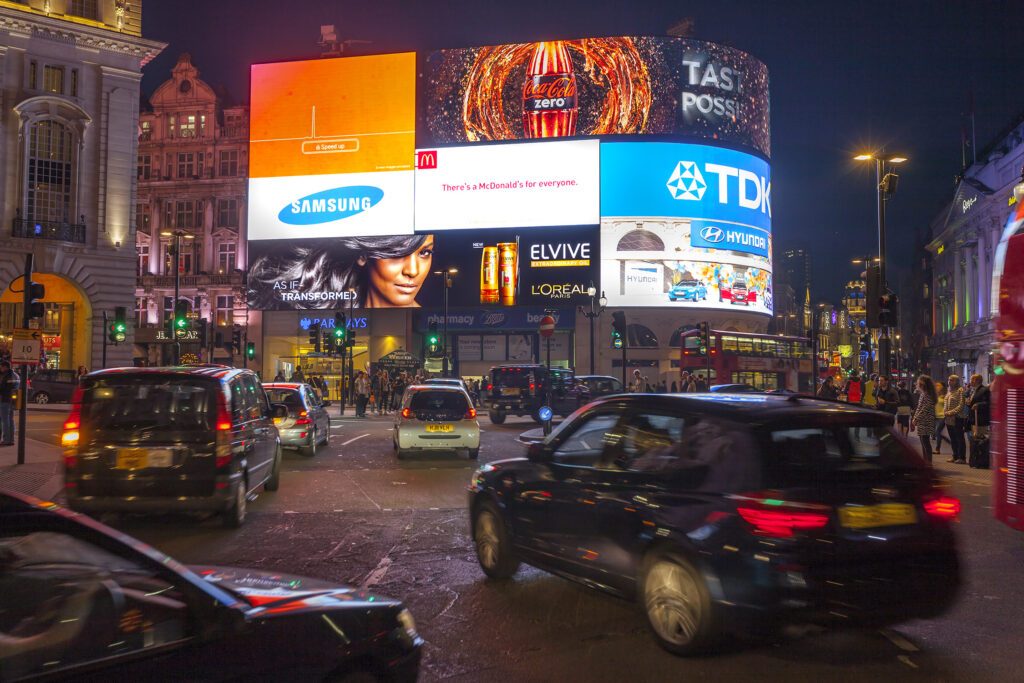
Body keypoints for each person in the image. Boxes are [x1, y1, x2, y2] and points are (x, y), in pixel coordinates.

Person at [248, 234, 435, 309]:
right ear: (363, 256)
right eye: (396, 254)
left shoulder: (426, 318)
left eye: (425, 253)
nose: (413, 270)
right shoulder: (337, 301)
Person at [911, 375, 938, 463]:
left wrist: (916, 418)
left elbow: (924, 409)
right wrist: (915, 418)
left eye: (919, 383)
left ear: (923, 385)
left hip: (926, 421)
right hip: (923, 420)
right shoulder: (924, 394)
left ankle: (928, 462)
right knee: (923, 442)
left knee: (925, 442)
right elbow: (919, 408)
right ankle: (925, 461)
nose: (917, 385)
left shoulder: (928, 395)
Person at [944, 375, 966, 464]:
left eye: (952, 380)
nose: (949, 381)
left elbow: (961, 405)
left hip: (957, 418)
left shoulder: (960, 390)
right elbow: (945, 403)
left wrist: (951, 412)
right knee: (953, 438)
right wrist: (945, 412)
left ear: (956, 381)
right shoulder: (949, 391)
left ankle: (962, 457)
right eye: (949, 380)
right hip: (948, 418)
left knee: (959, 438)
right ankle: (955, 455)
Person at [0, 361, 20, 446]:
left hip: (5, 400)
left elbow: (3, 388)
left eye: (1, 367)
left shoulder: (7, 376)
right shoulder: (16, 375)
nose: (1, 369)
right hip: (13, 400)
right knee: (10, 420)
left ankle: (6, 439)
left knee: (5, 421)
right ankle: (11, 439)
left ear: (5, 367)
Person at [968, 373, 991, 441]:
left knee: (980, 440)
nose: (970, 381)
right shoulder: (973, 390)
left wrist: (978, 405)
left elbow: (988, 402)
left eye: (972, 379)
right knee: (974, 439)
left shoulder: (984, 390)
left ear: (977, 380)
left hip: (980, 420)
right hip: (973, 419)